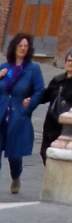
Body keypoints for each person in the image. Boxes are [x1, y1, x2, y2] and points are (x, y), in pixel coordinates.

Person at [0, 33, 45, 194]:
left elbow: (40, 91)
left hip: (18, 116)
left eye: (26, 46)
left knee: (15, 154)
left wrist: (29, 104)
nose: (23, 48)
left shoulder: (33, 69)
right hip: (1, 112)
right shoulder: (5, 67)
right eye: (20, 45)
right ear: (14, 47)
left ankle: (16, 176)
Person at [35, 47, 72, 163]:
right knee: (46, 153)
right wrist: (31, 99)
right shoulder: (58, 80)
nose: (70, 63)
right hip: (52, 123)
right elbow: (45, 96)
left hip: (71, 124)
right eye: (68, 60)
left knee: (65, 156)